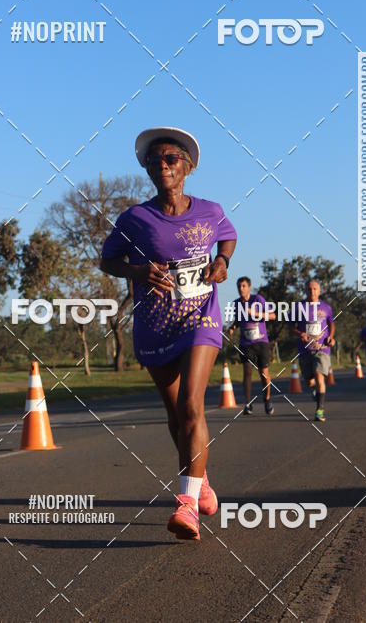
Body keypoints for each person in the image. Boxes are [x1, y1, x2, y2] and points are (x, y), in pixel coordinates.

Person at [100, 126, 237, 541]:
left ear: (188, 166)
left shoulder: (210, 211)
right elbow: (109, 260)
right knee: (177, 415)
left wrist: (222, 262)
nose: (163, 165)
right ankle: (202, 480)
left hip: (201, 318)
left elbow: (228, 237)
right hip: (155, 323)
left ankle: (187, 506)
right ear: (147, 169)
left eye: (171, 159)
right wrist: (138, 270)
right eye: (155, 160)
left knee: (193, 406)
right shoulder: (135, 219)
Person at [228, 276, 276, 416]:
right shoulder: (236, 304)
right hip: (246, 343)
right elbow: (238, 320)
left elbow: (272, 316)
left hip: (261, 343)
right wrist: (233, 327)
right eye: (239, 286)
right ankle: (248, 404)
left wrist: (255, 313)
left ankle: (267, 400)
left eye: (243, 286)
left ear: (249, 287)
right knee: (247, 373)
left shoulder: (258, 299)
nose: (241, 289)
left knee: (263, 374)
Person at [291, 279, 335, 422]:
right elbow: (292, 327)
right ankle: (316, 391)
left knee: (319, 375)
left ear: (319, 290)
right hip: (305, 350)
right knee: (309, 382)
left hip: (322, 349)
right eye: (309, 289)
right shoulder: (299, 307)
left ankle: (319, 410)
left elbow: (331, 324)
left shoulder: (326, 307)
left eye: (315, 289)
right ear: (305, 291)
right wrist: (300, 334)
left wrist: (331, 337)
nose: (312, 292)